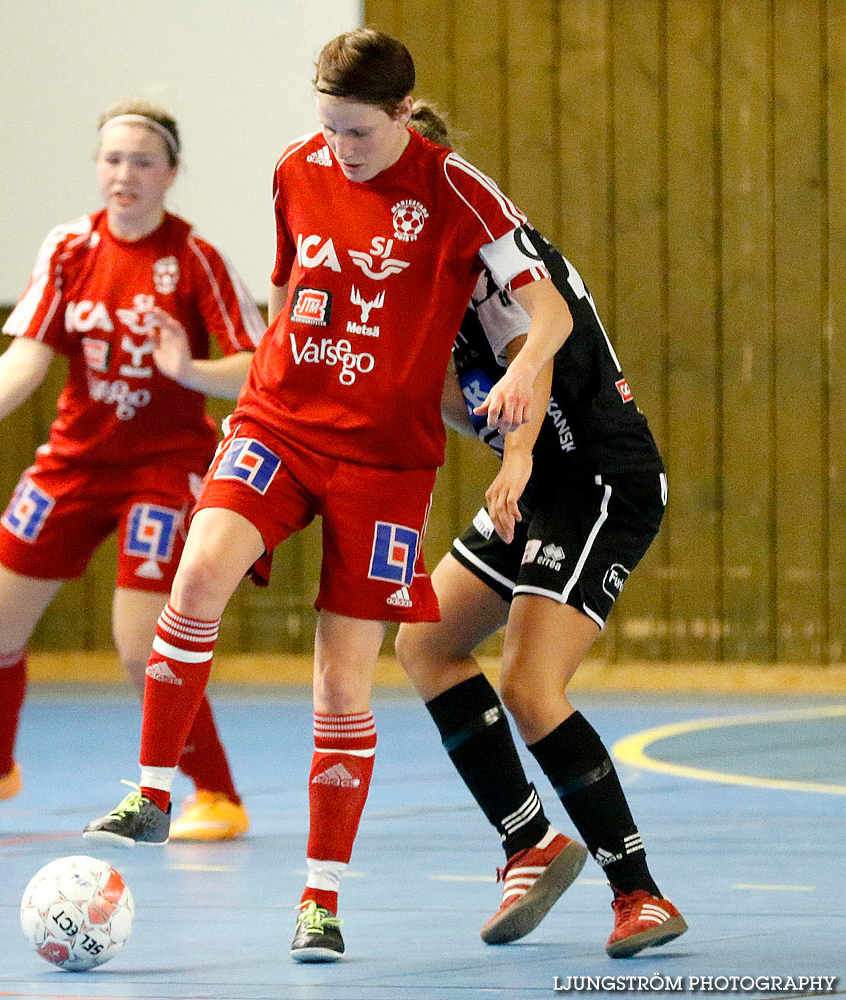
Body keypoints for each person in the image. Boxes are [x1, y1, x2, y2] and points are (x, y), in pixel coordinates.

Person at [81, 29, 574, 964]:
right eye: (326, 128)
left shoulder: (458, 192)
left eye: (356, 132)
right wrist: (254, 393)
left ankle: (319, 900)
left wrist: (522, 386)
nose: (338, 149)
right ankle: (151, 789)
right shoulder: (296, 168)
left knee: (341, 679)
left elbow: (544, 309)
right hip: (281, 425)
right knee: (193, 581)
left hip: (385, 466)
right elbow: (282, 291)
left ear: (399, 116)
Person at [0, 98, 264, 831]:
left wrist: (188, 369)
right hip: (74, 461)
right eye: (111, 159)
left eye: (141, 160)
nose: (123, 174)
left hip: (163, 470)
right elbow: (30, 350)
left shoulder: (196, 260)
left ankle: (217, 795)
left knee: (141, 650)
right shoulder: (70, 247)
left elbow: (260, 367)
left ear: (170, 172)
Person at [394, 108, 687, 959]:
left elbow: (536, 347)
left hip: (597, 476)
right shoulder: (416, 271)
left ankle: (640, 893)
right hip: (535, 478)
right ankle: (528, 844)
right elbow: (458, 398)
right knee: (425, 642)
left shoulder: (493, 246)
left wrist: (516, 451)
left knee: (527, 683)